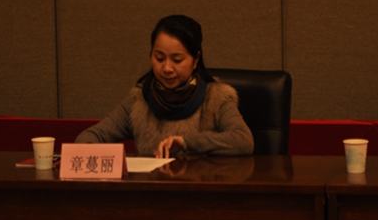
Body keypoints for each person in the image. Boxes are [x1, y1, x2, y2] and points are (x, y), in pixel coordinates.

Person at [75, 14, 254, 158]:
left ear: (195, 60)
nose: (167, 68)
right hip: (151, 189)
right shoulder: (139, 101)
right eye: (159, 58)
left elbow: (243, 141)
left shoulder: (215, 98)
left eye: (177, 60)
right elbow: (89, 137)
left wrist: (186, 142)